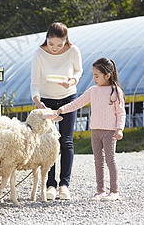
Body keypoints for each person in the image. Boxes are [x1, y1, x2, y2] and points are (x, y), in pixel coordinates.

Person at [56, 57, 126, 201]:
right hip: (95, 131)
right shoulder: (92, 91)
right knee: (98, 161)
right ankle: (100, 190)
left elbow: (120, 112)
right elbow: (78, 102)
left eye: (97, 75)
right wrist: (62, 109)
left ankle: (114, 191)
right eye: (93, 75)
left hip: (109, 132)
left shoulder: (115, 91)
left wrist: (119, 129)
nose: (94, 78)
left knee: (110, 160)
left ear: (107, 75)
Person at [30, 22, 83, 200]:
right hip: (46, 99)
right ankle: (50, 184)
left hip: (68, 97)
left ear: (66, 41)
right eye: (51, 44)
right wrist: (38, 102)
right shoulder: (39, 54)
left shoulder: (73, 50)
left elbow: (78, 71)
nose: (54, 48)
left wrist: (72, 81)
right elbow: (35, 83)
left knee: (66, 141)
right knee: (49, 141)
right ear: (46, 38)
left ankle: (64, 185)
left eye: (59, 45)